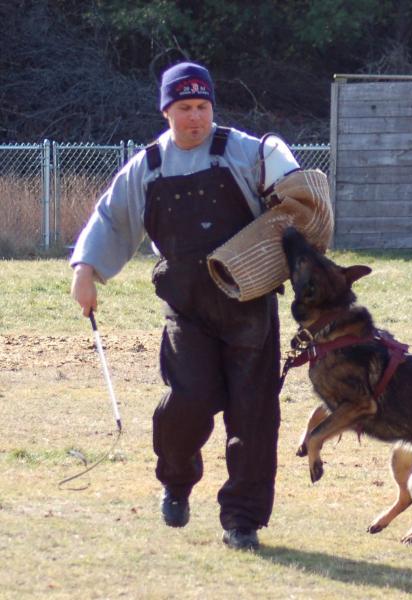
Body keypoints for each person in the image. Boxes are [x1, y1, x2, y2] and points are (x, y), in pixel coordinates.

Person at [70, 62, 295, 551]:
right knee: (186, 403)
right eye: (184, 108)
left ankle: (242, 521)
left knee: (253, 418)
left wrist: (294, 185)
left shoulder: (249, 152)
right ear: (166, 111)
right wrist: (86, 270)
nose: (195, 118)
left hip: (250, 308)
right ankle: (176, 479)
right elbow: (110, 220)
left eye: (203, 107)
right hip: (187, 309)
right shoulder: (147, 166)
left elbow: (291, 186)